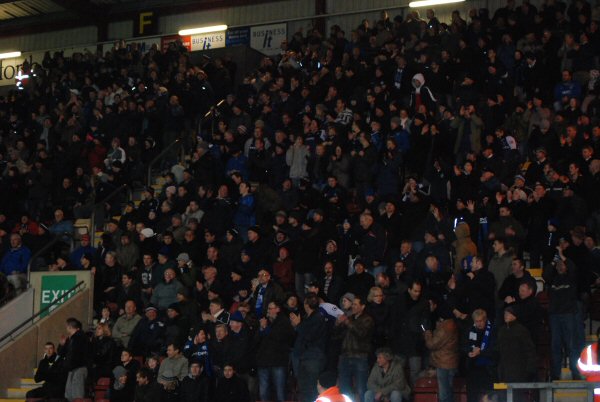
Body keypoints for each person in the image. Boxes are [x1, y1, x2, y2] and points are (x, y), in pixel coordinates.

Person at [336, 294, 375, 402]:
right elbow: (337, 336)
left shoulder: (367, 319)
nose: (353, 306)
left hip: (360, 357)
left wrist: (347, 322)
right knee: (344, 389)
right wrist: (338, 324)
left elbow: (361, 333)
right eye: (352, 304)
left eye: (355, 305)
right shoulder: (349, 318)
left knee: (361, 388)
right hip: (345, 356)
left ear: (362, 307)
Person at [291, 292, 327, 402]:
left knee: (310, 388)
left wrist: (298, 325)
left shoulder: (318, 317)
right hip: (305, 356)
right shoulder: (309, 317)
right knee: (304, 388)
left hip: (313, 357)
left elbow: (310, 336)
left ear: (306, 304)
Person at [257, 301, 295, 402]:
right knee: (263, 392)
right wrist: (261, 329)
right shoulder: (264, 321)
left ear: (277, 309)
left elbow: (280, 337)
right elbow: (256, 341)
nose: (268, 311)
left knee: (280, 391)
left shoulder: (284, 322)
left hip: (278, 362)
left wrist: (266, 328)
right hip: (263, 362)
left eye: (270, 308)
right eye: (268, 308)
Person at [424, 302, 459, 402]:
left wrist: (428, 332)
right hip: (452, 361)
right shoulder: (453, 324)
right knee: (449, 391)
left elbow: (432, 344)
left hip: (443, 363)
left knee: (444, 393)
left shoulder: (445, 327)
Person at [464, 309, 497, 402]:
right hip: (473, 369)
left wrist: (481, 352)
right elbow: (463, 346)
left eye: (480, 321)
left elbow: (495, 351)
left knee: (488, 397)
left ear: (485, 320)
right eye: (476, 321)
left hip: (488, 370)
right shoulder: (470, 330)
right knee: (472, 396)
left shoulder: (493, 331)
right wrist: (470, 351)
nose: (479, 324)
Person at [60, 317, 90, 402]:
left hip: (79, 368)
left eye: (66, 326)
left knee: (77, 395)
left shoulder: (79, 338)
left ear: (69, 327)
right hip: (72, 369)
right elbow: (62, 353)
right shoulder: (71, 339)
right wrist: (62, 345)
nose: (66, 328)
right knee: (69, 394)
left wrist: (67, 365)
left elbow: (75, 355)